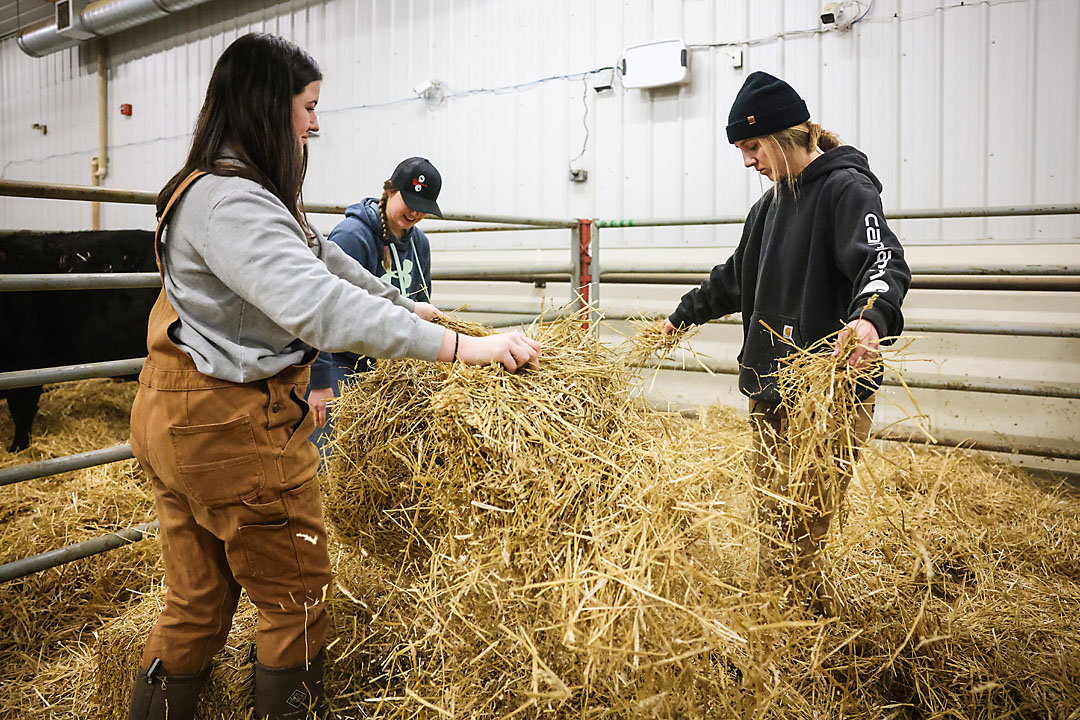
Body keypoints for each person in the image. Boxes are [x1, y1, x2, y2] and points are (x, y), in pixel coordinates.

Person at [126, 33, 540, 720]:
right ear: (268, 107)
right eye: (308, 106)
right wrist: (462, 349)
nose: (315, 124)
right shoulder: (235, 205)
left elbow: (327, 265)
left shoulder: (224, 192)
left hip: (176, 416)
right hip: (231, 427)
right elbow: (320, 305)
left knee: (196, 601)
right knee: (298, 595)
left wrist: (408, 305)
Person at [662, 71, 911, 615]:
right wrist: (683, 315)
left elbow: (883, 260)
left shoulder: (846, 190)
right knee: (773, 512)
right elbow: (734, 277)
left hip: (829, 391)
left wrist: (870, 320)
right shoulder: (768, 207)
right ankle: (776, 613)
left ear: (782, 136)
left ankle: (796, 623)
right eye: (741, 150)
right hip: (772, 386)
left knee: (810, 518)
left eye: (752, 146)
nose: (747, 161)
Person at [306, 157, 440, 450]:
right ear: (391, 191)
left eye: (424, 208)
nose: (416, 212)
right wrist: (319, 378)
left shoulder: (420, 245)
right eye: (410, 201)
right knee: (335, 455)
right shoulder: (353, 236)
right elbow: (322, 305)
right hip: (344, 364)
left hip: (390, 369)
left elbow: (421, 301)